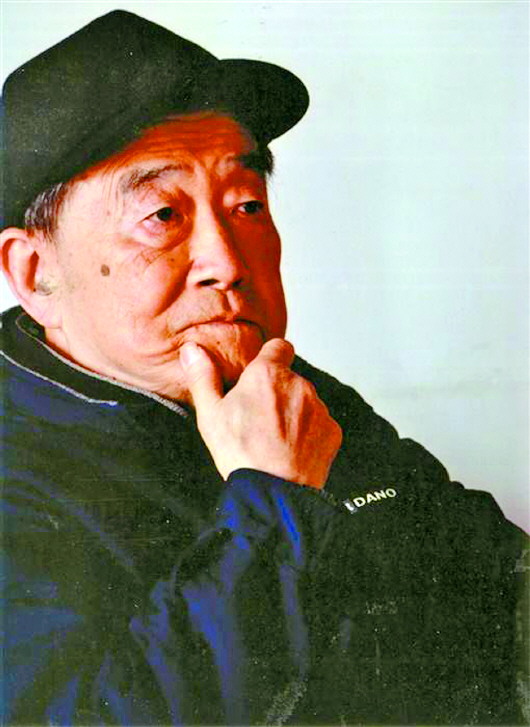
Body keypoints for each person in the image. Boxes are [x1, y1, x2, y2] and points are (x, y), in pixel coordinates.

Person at [1, 10, 527, 725]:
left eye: (246, 205)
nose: (227, 262)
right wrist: (272, 499)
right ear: (36, 272)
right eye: (162, 216)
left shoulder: (279, 388)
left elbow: (495, 585)